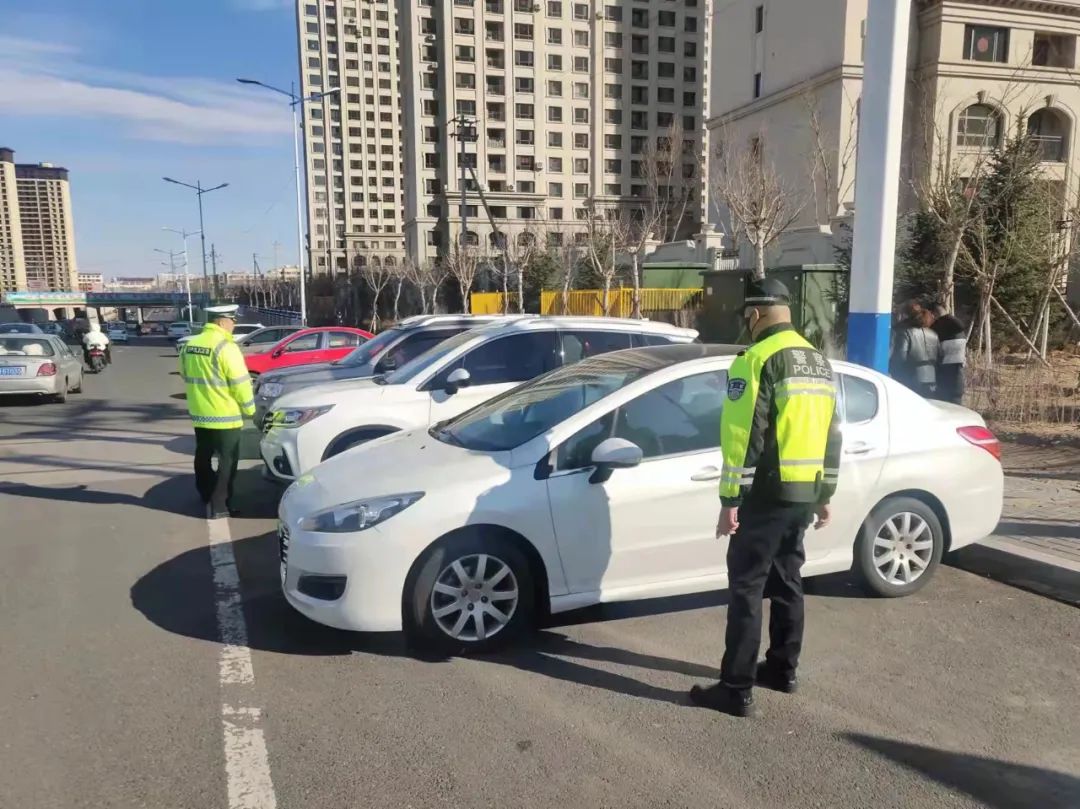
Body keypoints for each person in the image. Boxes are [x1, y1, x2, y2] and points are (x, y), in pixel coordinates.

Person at [689, 278, 842, 718]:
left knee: (747, 589)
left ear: (754, 315)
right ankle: (782, 669)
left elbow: (743, 437)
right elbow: (834, 435)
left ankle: (736, 689)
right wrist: (824, 493)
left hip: (764, 495)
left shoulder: (755, 361)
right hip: (803, 493)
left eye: (745, 318)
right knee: (789, 582)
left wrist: (730, 500)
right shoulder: (819, 363)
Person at [179, 304, 256, 519]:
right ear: (222, 321)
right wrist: (250, 408)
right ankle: (220, 504)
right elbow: (240, 382)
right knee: (227, 460)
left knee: (202, 455)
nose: (234, 326)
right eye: (233, 321)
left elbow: (184, 374)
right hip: (225, 416)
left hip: (200, 413)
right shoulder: (226, 347)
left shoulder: (190, 345)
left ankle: (205, 493)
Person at [891, 300, 940, 397]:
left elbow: (900, 358)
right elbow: (939, 357)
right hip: (931, 381)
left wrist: (893, 373)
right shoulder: (934, 335)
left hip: (909, 380)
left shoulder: (905, 333)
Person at [930, 304, 966, 405]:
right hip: (958, 373)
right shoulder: (957, 328)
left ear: (934, 314)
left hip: (945, 371)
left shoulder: (939, 326)